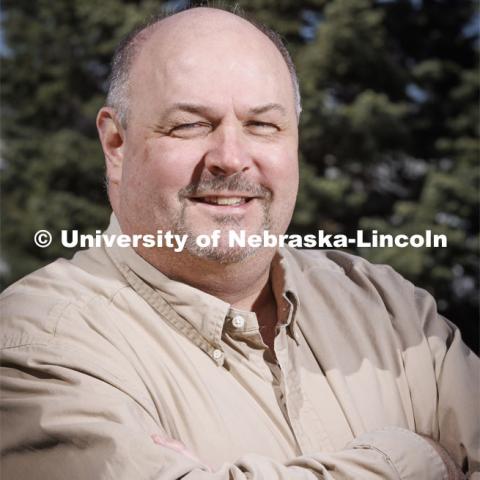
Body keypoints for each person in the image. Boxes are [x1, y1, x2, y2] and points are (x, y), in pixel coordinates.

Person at [1, 6, 478, 480]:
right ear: (116, 144)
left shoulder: (392, 311)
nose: (231, 159)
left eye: (263, 125)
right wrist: (417, 461)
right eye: (190, 124)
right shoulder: (34, 341)